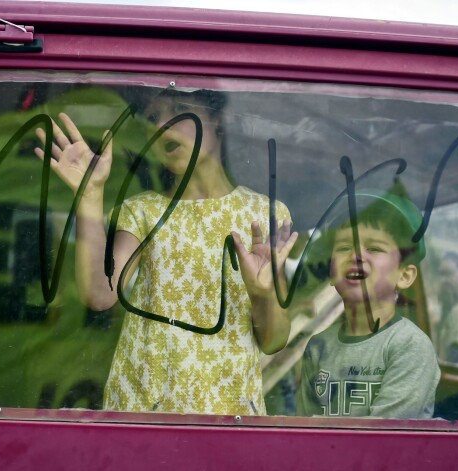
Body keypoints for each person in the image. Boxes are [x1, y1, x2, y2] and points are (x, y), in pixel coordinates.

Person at [35, 88, 298, 415]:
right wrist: (90, 195)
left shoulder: (265, 214)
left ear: (217, 120)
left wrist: (262, 292)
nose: (163, 125)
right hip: (144, 414)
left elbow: (274, 340)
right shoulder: (143, 211)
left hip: (229, 417)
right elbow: (100, 294)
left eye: (179, 109)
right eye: (152, 118)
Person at [297, 191, 440, 418]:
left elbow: (383, 441)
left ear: (404, 276)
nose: (356, 256)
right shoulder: (318, 347)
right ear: (331, 273)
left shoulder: (409, 346)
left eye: (374, 248)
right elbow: (304, 432)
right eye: (344, 247)